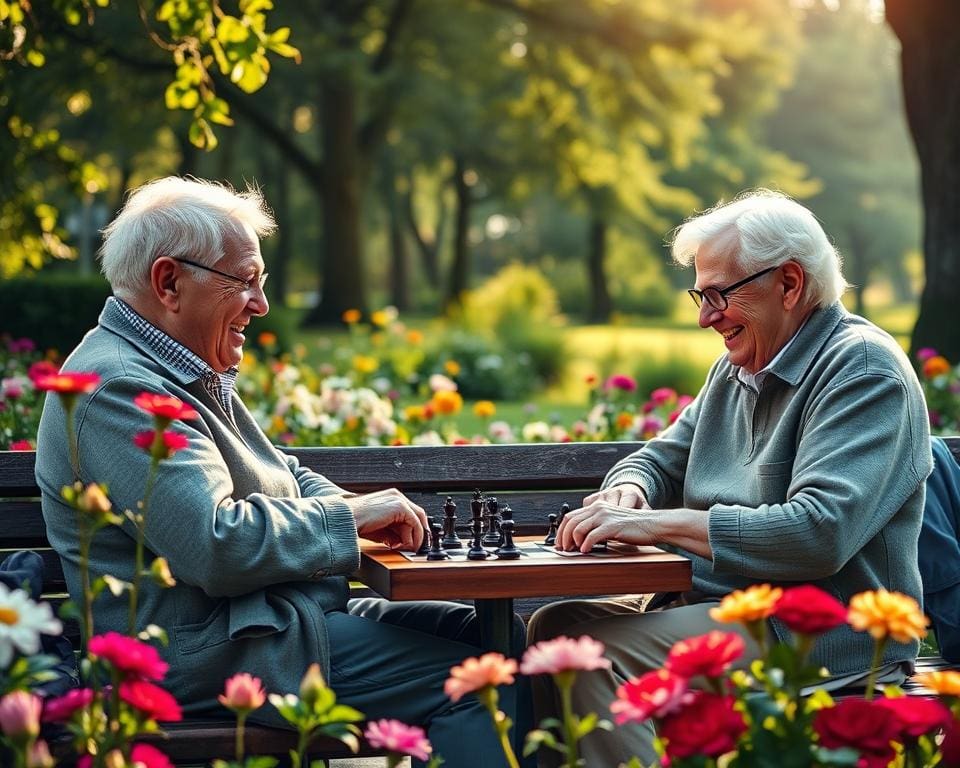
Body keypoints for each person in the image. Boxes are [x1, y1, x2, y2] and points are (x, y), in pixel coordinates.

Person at [35, 176, 526, 767]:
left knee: (495, 644)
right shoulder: (117, 389)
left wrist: (355, 509)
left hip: (271, 624)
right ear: (169, 282)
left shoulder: (178, 367)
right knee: (483, 686)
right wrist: (348, 520)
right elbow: (215, 544)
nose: (261, 305)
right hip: (210, 652)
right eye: (244, 282)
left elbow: (285, 474)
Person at [528, 189, 933, 766]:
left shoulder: (862, 370)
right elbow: (660, 458)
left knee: (590, 655)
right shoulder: (740, 367)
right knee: (557, 632)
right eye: (700, 294)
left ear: (788, 284)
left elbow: (818, 533)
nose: (703, 316)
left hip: (823, 639)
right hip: (728, 614)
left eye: (718, 294)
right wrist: (630, 490)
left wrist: (651, 523)